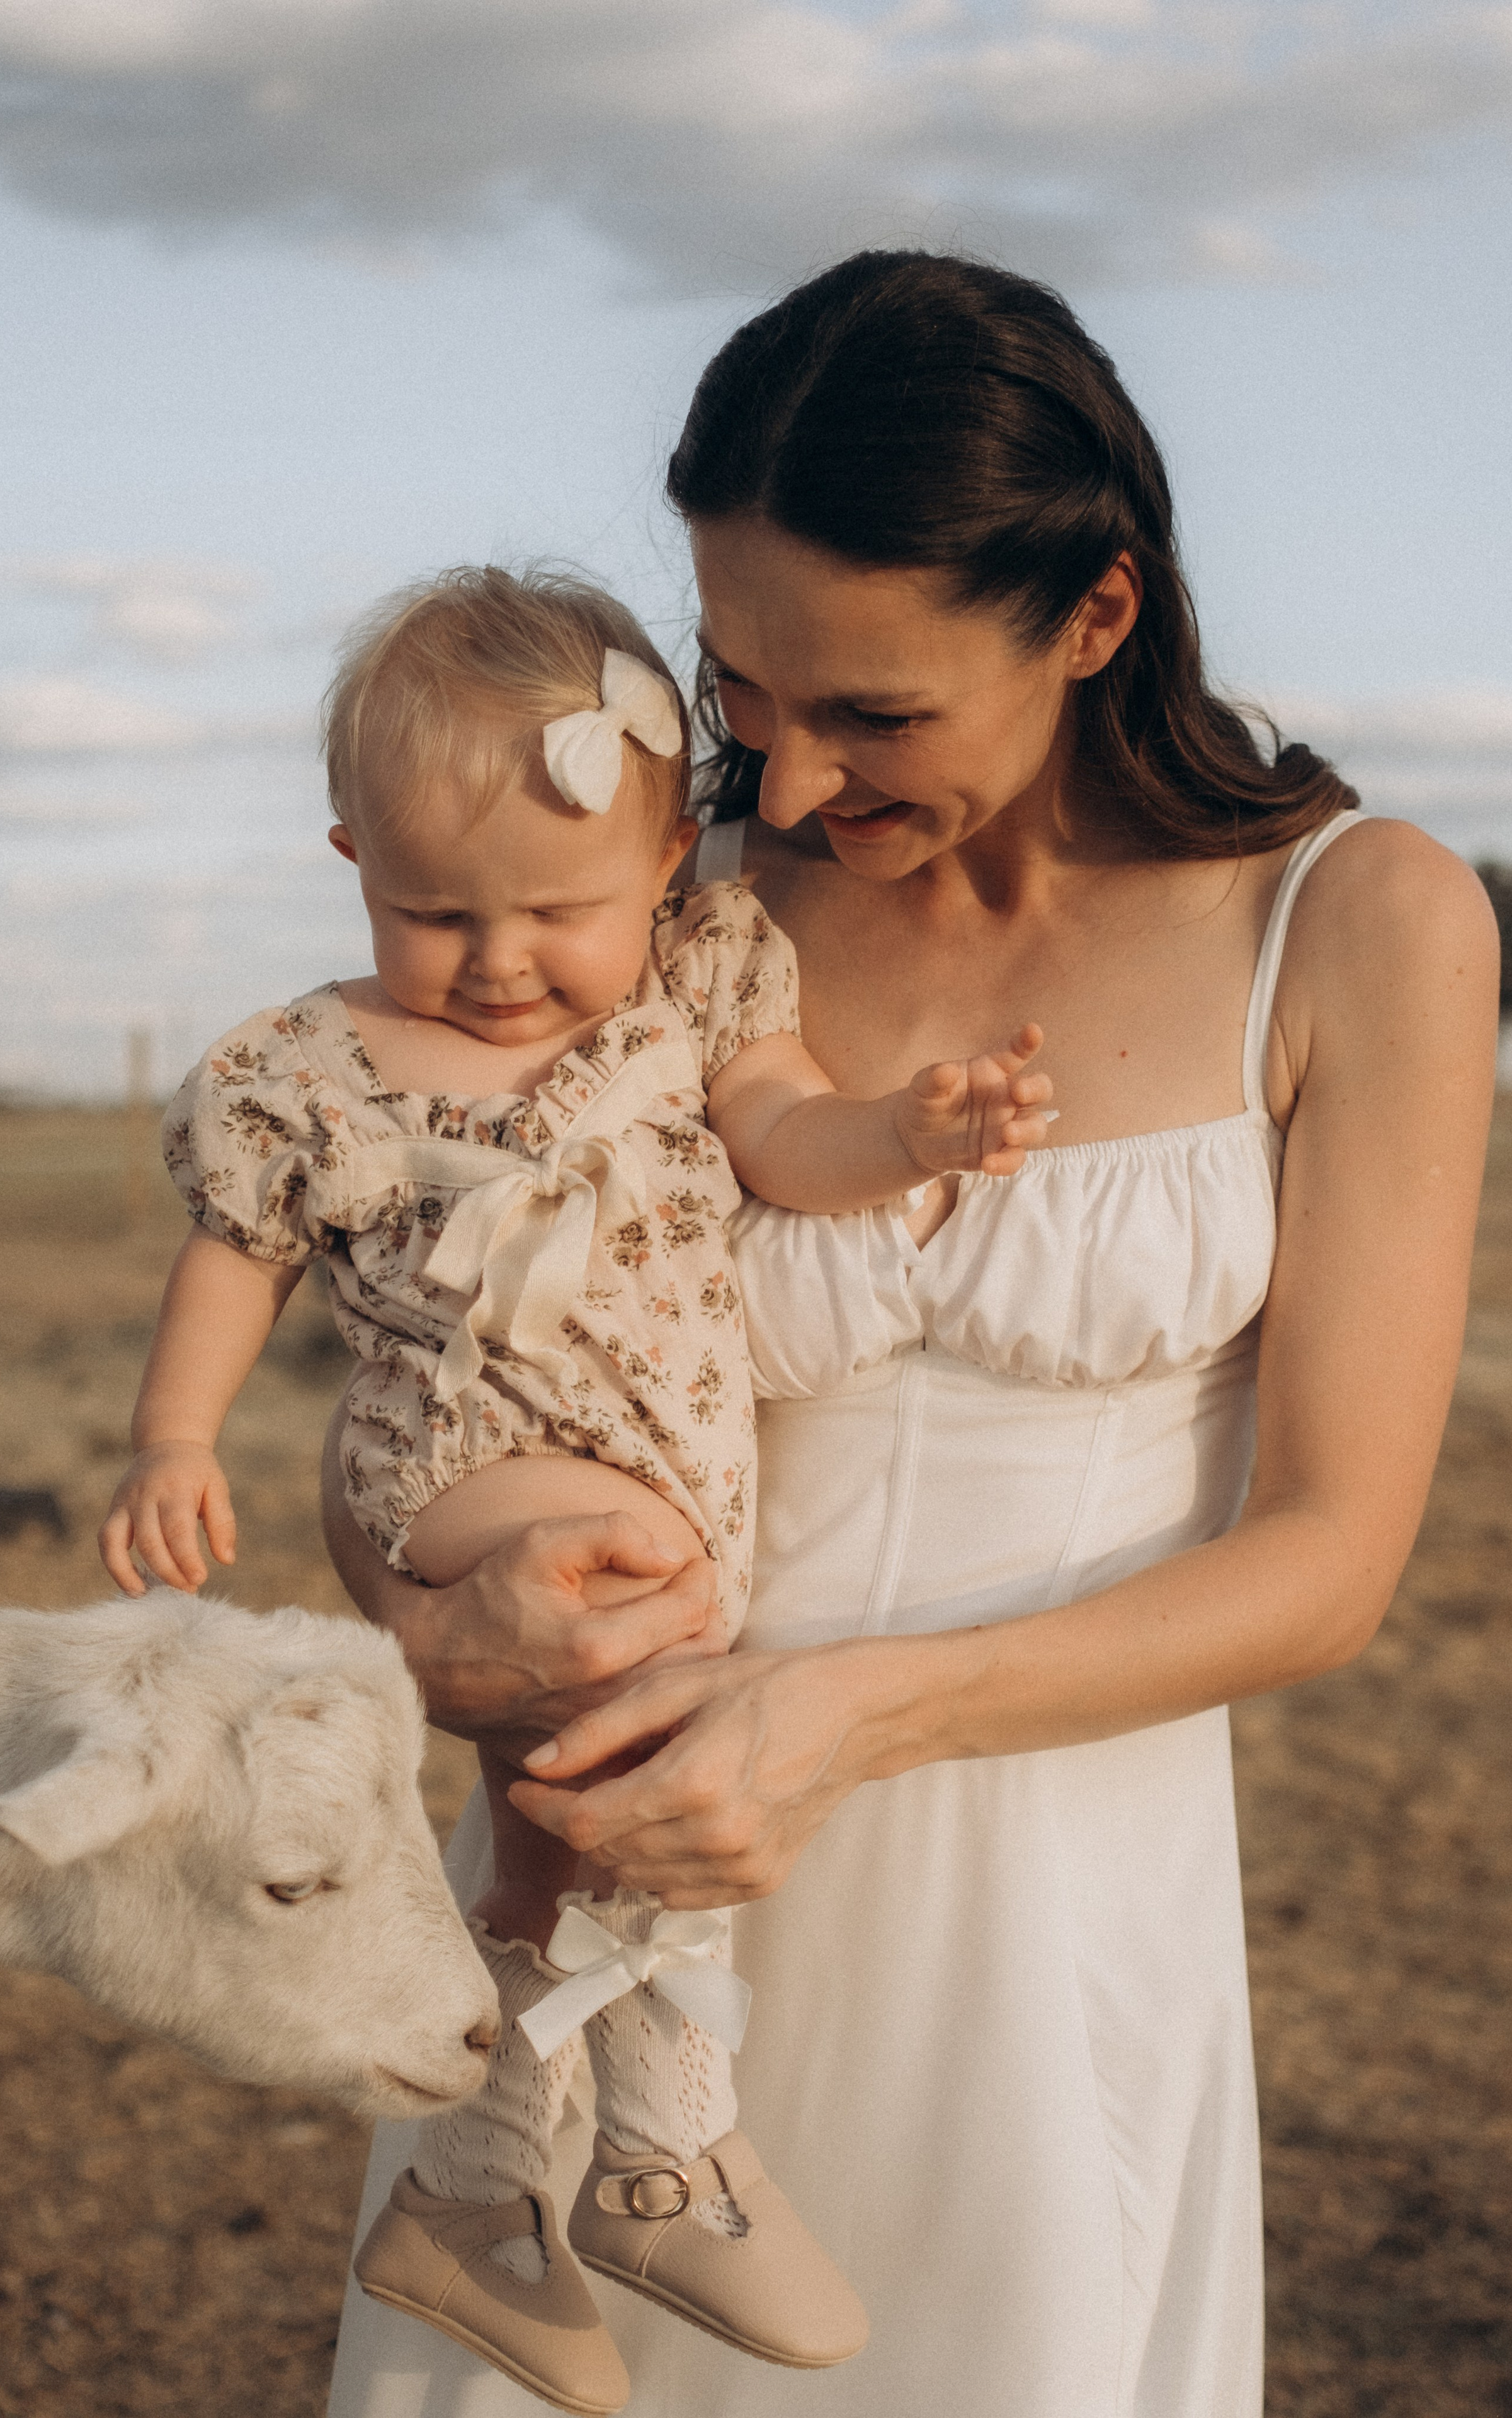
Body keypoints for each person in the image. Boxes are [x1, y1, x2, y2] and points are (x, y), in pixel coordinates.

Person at [324, 251, 1500, 2418]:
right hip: (628, 1868)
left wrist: (850, 1720)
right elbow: (440, 1370)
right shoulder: (667, 927)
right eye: (750, 694)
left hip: (1040, 1924)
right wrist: (425, 1617)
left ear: (1097, 618)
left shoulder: (1360, 923)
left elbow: (1327, 1562)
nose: (790, 778)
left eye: (878, 712)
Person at [98, 562, 1052, 2414]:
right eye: (429, 909)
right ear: (347, 854)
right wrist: (172, 1440)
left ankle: (486, 2190)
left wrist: (910, 1134)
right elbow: (236, 1258)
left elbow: (785, 1134)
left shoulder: (696, 988)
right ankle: (667, 2150)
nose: (497, 958)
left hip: (670, 1484)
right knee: (614, 1753)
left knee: (569, 1821)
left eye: (557, 910)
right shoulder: (320, 1066)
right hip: (461, 1465)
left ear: (667, 865)